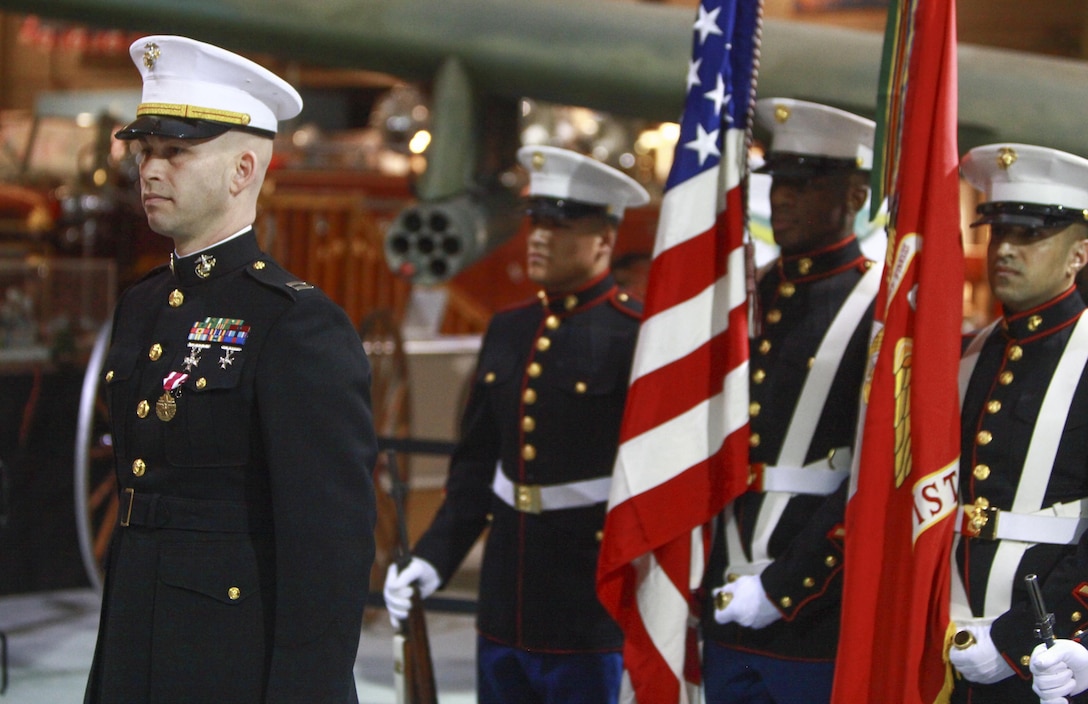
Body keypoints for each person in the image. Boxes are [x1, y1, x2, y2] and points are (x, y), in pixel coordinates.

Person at [84, 36, 378, 703]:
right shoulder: (144, 306)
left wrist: (307, 691)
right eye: (145, 152)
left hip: (232, 658)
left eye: (176, 153)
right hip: (136, 639)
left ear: (243, 169)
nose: (150, 171)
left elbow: (329, 544)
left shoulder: (297, 324)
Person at [383, 145, 649, 704]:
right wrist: (434, 559)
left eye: (560, 224)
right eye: (535, 222)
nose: (539, 237)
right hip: (507, 597)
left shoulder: (637, 337)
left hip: (589, 603)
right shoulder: (509, 329)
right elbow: (478, 465)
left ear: (604, 239)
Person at [700, 98, 880, 703]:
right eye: (779, 182)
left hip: (815, 609)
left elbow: (872, 479)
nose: (783, 199)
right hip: (727, 582)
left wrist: (785, 586)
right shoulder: (754, 293)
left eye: (805, 185)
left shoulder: (882, 309)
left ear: (856, 195)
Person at [948, 143, 1088, 703]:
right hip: (947, 636)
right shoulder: (970, 352)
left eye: (1029, 235)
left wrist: (1020, 640)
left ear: (1079, 254)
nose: (1005, 248)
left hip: (1052, 653)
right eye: (999, 232)